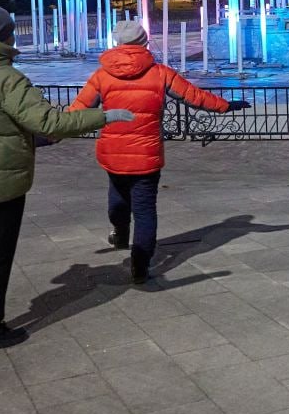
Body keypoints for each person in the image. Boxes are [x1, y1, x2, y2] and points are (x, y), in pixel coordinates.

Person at [0, 5, 133, 354]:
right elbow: (49, 123)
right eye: (10, 30)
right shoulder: (3, 77)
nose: (13, 35)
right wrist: (104, 115)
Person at [69, 20, 248, 284]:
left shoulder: (101, 76)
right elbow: (193, 96)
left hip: (113, 152)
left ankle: (119, 230)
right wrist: (225, 106)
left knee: (117, 197)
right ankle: (139, 267)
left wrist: (49, 127)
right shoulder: (160, 73)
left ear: (118, 43)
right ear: (143, 42)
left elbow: (79, 110)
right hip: (146, 154)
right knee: (144, 211)